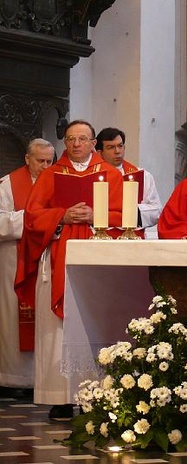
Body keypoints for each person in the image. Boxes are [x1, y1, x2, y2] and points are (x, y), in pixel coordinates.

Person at [14, 120, 124, 420]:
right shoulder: (51, 175)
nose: (76, 144)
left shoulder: (111, 175)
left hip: (96, 258)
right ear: (65, 143)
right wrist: (62, 214)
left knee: (93, 323)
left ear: (93, 143)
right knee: (57, 331)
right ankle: (59, 397)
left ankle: (96, 395)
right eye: (71, 139)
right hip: (58, 255)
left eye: (83, 138)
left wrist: (94, 215)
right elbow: (33, 217)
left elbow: (124, 217)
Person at [0, 139, 54, 395]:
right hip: (15, 260)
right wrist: (33, 221)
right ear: (27, 160)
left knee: (44, 319)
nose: (45, 166)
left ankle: (41, 380)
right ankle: (13, 380)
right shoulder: (8, 184)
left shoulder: (57, 182)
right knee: (12, 318)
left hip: (46, 261)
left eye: (49, 161)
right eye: (39, 161)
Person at [95, 127, 162, 234]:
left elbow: (157, 211)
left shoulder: (143, 175)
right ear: (99, 153)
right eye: (111, 147)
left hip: (133, 238)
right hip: (101, 237)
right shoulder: (94, 177)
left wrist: (132, 212)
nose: (117, 151)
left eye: (120, 146)